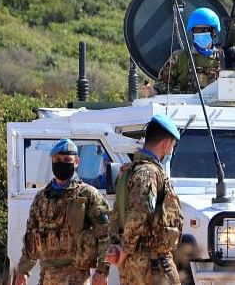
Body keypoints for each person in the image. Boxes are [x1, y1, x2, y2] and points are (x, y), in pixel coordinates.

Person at [15, 139, 110, 285]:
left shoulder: (87, 194)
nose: (61, 163)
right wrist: (23, 271)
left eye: (67, 159)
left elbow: (105, 234)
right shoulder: (41, 198)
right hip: (46, 277)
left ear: (76, 162)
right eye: (57, 159)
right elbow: (31, 238)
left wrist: (102, 271)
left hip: (76, 277)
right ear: (52, 161)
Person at [106, 114, 183, 285]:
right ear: (165, 144)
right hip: (151, 265)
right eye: (172, 146)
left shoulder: (127, 172)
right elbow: (140, 212)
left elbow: (115, 215)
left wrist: (117, 246)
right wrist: (124, 250)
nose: (170, 151)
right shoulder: (148, 172)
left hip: (134, 264)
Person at [155, 7, 223, 94]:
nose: (199, 33)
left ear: (213, 32)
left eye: (204, 30)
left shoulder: (222, 58)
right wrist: (152, 91)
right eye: (196, 30)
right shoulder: (180, 57)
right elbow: (161, 85)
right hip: (185, 106)